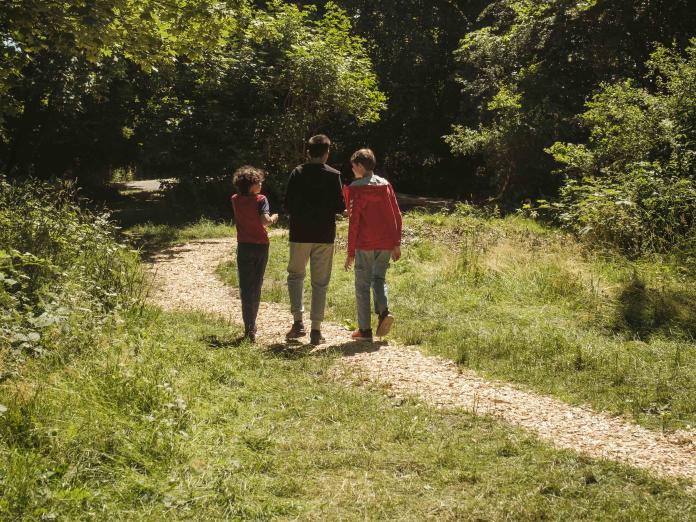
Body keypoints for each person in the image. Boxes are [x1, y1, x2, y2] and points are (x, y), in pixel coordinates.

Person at [284, 134, 345, 345]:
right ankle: (316, 330)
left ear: (308, 152)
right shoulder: (333, 175)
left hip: (299, 233)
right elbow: (340, 207)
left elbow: (287, 205)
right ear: (327, 153)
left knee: (295, 276)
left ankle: (297, 321)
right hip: (324, 235)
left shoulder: (297, 173)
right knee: (320, 283)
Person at [344, 148, 402, 342]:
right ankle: (384, 312)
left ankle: (364, 330)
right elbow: (396, 215)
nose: (352, 170)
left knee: (362, 285)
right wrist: (396, 243)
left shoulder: (356, 188)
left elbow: (354, 223)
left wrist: (350, 251)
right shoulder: (386, 185)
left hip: (365, 244)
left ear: (360, 166)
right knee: (378, 278)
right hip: (386, 242)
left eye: (353, 166)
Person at [231, 165, 278, 342]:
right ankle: (252, 325)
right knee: (256, 285)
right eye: (258, 182)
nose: (261, 185)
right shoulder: (261, 199)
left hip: (243, 246)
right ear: (252, 185)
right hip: (260, 246)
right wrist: (274, 218)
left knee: (245, 287)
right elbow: (264, 222)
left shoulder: (235, 199)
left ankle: (248, 326)